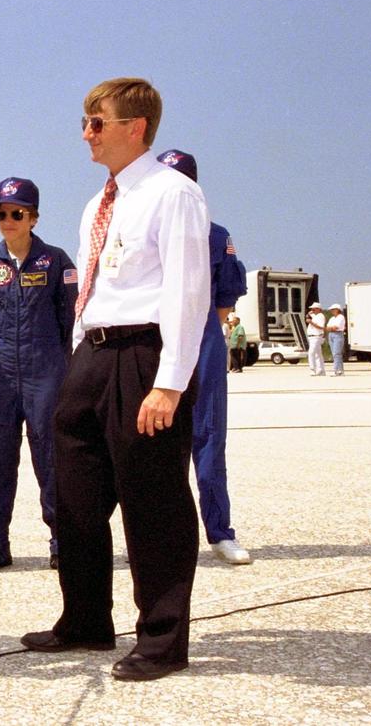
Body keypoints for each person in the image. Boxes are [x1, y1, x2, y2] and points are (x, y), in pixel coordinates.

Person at [20, 77, 210, 682]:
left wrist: (170, 381)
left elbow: (187, 291)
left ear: (137, 128)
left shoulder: (171, 193)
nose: (86, 134)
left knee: (153, 502)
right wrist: (79, 355)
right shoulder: (97, 202)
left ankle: (160, 639)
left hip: (144, 356)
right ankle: (85, 618)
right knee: (74, 495)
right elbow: (93, 289)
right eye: (85, 121)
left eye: (96, 122)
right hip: (94, 355)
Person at [0, 176, 76, 573]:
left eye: (16, 213)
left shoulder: (57, 262)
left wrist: (49, 357)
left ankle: (64, 542)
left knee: (52, 458)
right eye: (1, 213)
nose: (8, 220)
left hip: (46, 371)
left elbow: (69, 317)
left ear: (34, 218)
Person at [156, 150, 251, 566]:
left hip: (203, 337)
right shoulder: (142, 231)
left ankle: (219, 531)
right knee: (156, 441)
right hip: (154, 336)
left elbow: (224, 303)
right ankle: (165, 539)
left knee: (209, 435)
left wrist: (196, 334)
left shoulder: (216, 235)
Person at [306, 301, 327, 376]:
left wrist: (311, 322)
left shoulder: (321, 316)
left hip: (316, 336)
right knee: (318, 354)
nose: (312, 310)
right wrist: (309, 314)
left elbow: (321, 327)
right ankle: (321, 370)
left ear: (318, 309)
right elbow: (308, 316)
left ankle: (312, 369)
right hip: (312, 337)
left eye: (314, 309)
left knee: (311, 353)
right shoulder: (315, 316)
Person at [326, 304, 346, 375]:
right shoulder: (332, 318)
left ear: (337, 309)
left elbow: (336, 327)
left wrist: (331, 328)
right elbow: (327, 327)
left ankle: (336, 370)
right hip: (331, 335)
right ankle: (340, 370)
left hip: (338, 334)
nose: (331, 311)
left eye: (333, 309)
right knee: (335, 353)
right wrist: (331, 328)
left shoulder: (341, 317)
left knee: (336, 353)